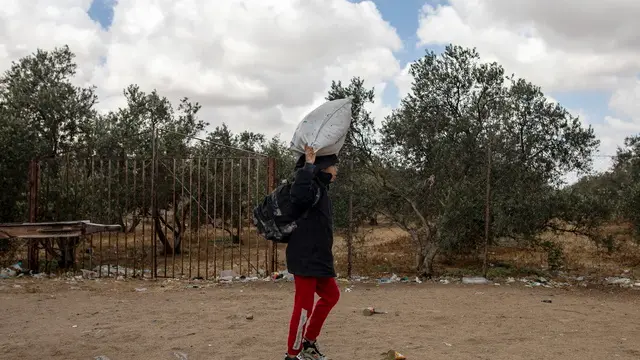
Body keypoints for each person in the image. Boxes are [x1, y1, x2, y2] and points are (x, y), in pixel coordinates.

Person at [284, 145, 340, 360]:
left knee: (331, 295)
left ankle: (308, 343)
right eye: (333, 167)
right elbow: (298, 195)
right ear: (323, 169)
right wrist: (308, 165)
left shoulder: (319, 189)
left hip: (319, 257)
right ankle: (292, 354)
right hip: (306, 257)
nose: (336, 171)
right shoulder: (308, 187)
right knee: (304, 307)